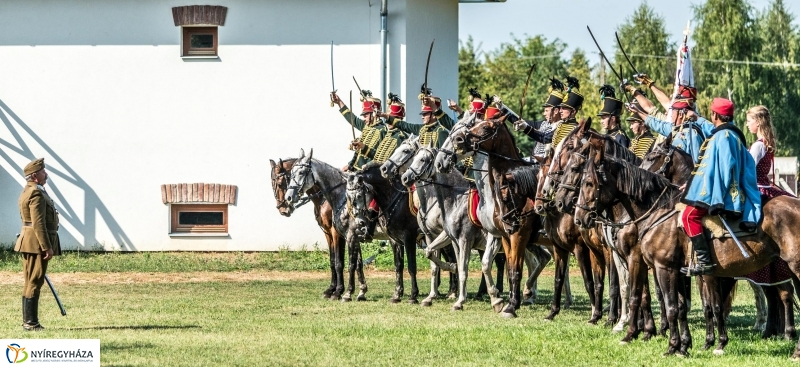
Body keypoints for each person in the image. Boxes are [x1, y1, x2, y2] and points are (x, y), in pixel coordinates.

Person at [680, 98, 761, 276]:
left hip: (722, 193)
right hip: (715, 188)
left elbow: (726, 169)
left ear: (715, 115)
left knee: (688, 216)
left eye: (711, 114)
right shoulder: (726, 133)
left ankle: (704, 262)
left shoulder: (724, 137)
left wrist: (718, 198)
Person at [15, 158, 61, 331]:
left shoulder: (29, 190)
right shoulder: (36, 193)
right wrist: (46, 246)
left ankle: (29, 321)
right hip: (36, 243)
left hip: (30, 242)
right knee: (34, 281)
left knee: (30, 281)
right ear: (35, 176)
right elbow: (38, 223)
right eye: (43, 171)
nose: (46, 174)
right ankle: (31, 322)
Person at [625, 85, 710, 163]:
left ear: (680, 114)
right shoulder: (676, 129)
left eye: (673, 112)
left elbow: (697, 165)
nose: (671, 115)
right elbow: (657, 124)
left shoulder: (692, 134)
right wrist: (638, 112)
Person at [514, 77, 584, 148]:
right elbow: (545, 138)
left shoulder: (578, 129)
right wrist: (524, 127)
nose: (560, 111)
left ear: (573, 111)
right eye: (561, 108)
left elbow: (586, 143)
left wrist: (581, 142)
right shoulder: (560, 126)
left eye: (564, 108)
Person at [331, 90, 388, 171]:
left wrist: (363, 147)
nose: (364, 119)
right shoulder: (366, 126)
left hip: (368, 171)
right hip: (355, 168)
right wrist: (339, 102)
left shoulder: (383, 131)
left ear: (374, 114)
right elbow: (352, 119)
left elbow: (380, 156)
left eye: (366, 115)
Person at [746, 105, 793, 198]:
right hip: (765, 186)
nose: (747, 124)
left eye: (748, 121)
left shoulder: (758, 146)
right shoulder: (765, 143)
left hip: (758, 188)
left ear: (758, 122)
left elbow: (747, 169)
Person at [513, 78, 564, 158]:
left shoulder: (562, 127)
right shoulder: (543, 123)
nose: (544, 113)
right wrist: (502, 108)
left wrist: (525, 128)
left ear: (556, 111)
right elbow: (519, 120)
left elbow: (544, 138)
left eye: (547, 111)